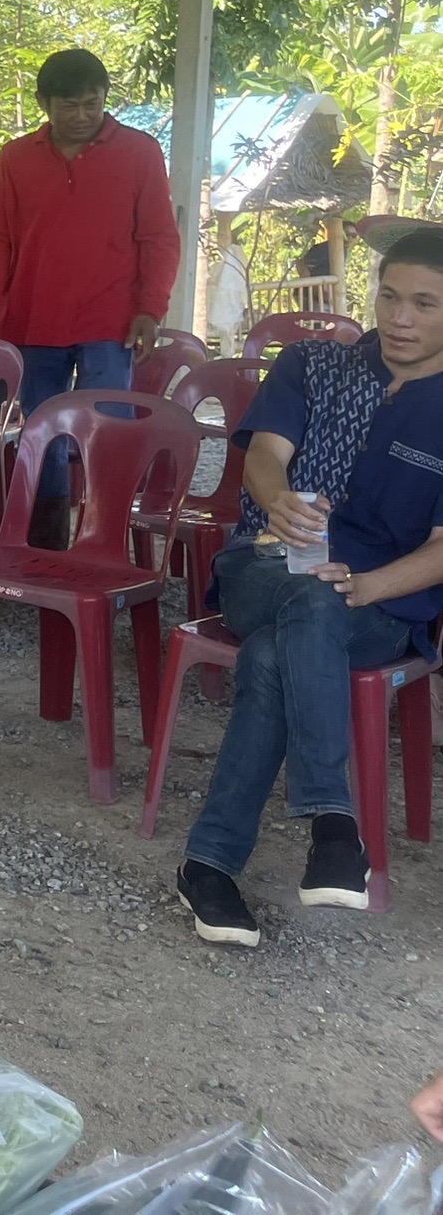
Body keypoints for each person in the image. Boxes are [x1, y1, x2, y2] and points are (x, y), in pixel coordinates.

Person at [174, 228, 443, 947]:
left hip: (381, 602)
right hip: (267, 565)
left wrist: (369, 583)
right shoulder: (313, 365)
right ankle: (331, 820)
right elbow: (266, 453)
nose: (400, 317)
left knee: (274, 653)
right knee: (307, 596)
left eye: (424, 303)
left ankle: (208, 866)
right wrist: (280, 496)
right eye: (389, 296)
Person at [0, 48, 180, 548]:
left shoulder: (141, 151)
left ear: (106, 98)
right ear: (44, 103)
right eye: (70, 106)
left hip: (112, 321)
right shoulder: (15, 157)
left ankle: (105, 544)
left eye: (93, 103)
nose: (83, 116)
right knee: (45, 436)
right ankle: (46, 548)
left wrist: (151, 308)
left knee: (108, 434)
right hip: (34, 319)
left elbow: (159, 237)